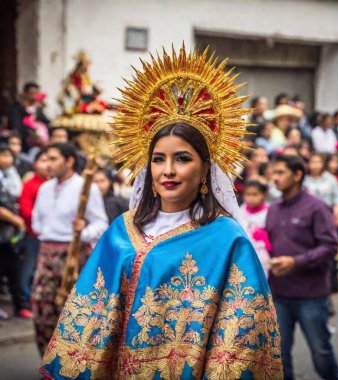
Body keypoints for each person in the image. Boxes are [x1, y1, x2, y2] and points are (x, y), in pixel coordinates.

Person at [40, 46, 283, 380]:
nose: (168, 170)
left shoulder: (228, 240)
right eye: (158, 159)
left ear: (205, 170)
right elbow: (89, 317)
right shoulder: (121, 230)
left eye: (182, 158)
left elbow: (240, 339)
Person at [266, 155, 338, 380]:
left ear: (298, 175)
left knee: (321, 353)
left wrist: (295, 262)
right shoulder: (273, 209)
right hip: (279, 295)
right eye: (274, 172)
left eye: (280, 173)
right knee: (279, 356)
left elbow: (330, 247)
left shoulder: (317, 207)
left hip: (311, 296)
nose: (275, 178)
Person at [31, 142, 108, 356]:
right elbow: (36, 219)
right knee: (41, 309)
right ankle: (48, 362)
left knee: (73, 311)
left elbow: (100, 223)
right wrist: (43, 231)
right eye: (46, 159)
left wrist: (82, 232)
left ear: (69, 161)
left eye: (53, 159)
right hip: (46, 254)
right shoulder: (44, 188)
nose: (48, 164)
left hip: (73, 254)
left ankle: (70, 364)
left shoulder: (86, 187)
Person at [18, 149, 49, 316]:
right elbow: (26, 210)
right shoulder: (30, 184)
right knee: (29, 267)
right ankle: (24, 301)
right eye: (43, 160)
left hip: (51, 237)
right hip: (34, 234)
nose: (47, 164)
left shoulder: (53, 185)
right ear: (35, 164)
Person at [0, 146, 27, 318]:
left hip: (10, 233)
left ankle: (20, 306)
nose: (6, 158)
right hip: (6, 227)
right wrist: (15, 220)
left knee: (14, 268)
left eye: (8, 154)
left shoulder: (13, 175)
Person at [304, 153, 338, 228]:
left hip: (326, 215)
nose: (316, 165)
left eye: (318, 162)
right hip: (307, 216)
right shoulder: (304, 180)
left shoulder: (330, 179)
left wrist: (336, 211)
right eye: (313, 162)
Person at [240, 180, 271, 276]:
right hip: (245, 249)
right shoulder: (242, 209)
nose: (251, 198)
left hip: (262, 251)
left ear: (264, 195)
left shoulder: (268, 212)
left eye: (255, 194)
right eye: (248, 194)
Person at [8, 82, 50, 152]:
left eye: (36, 93)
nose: (34, 96)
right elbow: (15, 126)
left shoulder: (38, 108)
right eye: (31, 93)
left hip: (40, 141)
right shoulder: (16, 108)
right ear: (25, 94)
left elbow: (46, 121)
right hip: (25, 142)